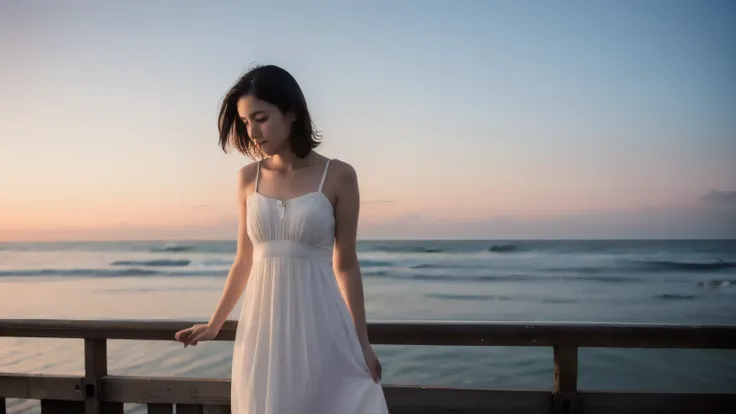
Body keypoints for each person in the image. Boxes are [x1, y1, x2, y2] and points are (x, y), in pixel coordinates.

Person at [174, 65, 389, 414]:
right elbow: (244, 260)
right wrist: (215, 325)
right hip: (261, 332)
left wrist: (363, 344)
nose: (252, 131)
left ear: (291, 111)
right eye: (245, 122)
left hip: (322, 328)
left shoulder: (339, 176)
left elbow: (346, 264)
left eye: (260, 118)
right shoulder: (247, 178)